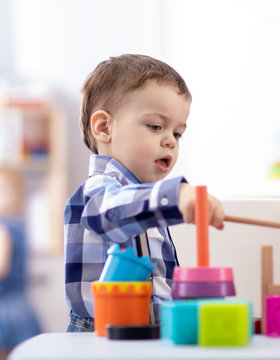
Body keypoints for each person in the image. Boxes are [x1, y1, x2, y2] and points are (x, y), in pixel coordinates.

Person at [65, 54, 225, 332]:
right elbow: (110, 214)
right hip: (99, 336)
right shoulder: (99, 188)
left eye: (178, 133)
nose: (170, 141)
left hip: (144, 333)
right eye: (155, 126)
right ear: (104, 127)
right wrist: (173, 196)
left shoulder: (143, 199)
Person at [0, 168, 41, 358]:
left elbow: (2, 267)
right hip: (20, 306)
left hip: (6, 309)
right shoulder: (19, 225)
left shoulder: (4, 228)